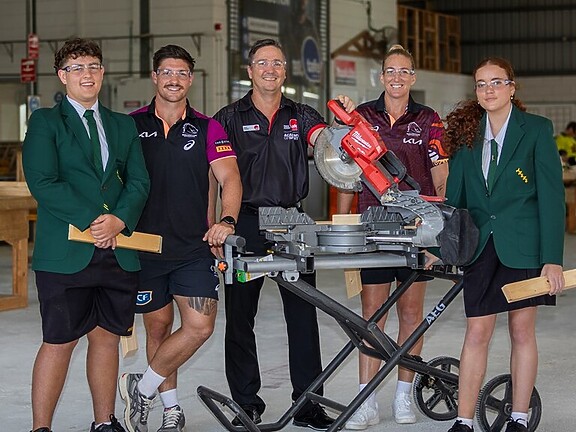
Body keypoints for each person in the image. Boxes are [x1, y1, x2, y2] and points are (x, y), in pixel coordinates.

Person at [213, 38, 354, 431]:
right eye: (262, 63)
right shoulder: (228, 117)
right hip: (244, 224)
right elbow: (213, 175)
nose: (270, 69)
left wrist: (341, 127)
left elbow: (327, 145)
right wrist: (215, 226)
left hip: (293, 224)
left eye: (277, 62)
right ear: (250, 70)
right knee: (240, 317)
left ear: (285, 70)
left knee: (303, 316)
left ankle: (308, 403)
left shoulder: (301, 114)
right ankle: (246, 404)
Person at [22, 38, 150, 432]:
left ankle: (104, 421)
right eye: (77, 68)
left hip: (117, 250)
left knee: (108, 339)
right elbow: (43, 181)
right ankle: (41, 427)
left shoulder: (122, 124)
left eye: (93, 66)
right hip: (66, 252)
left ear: (103, 72)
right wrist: (96, 219)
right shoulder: (45, 122)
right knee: (60, 340)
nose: (87, 74)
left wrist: (119, 221)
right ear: (62, 77)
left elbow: (139, 181)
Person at [117, 45, 241, 432]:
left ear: (191, 79)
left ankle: (144, 386)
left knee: (200, 327)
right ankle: (171, 409)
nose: (174, 79)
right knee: (157, 329)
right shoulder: (130, 125)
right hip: (144, 247)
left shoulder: (207, 127)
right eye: (167, 72)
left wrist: (227, 220)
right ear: (154, 77)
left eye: (182, 73)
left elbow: (230, 178)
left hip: (192, 246)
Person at [442, 57, 565, 432]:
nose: (489, 90)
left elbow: (551, 198)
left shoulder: (538, 130)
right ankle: (463, 421)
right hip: (480, 248)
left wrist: (552, 260)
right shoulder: (466, 138)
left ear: (512, 87)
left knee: (521, 332)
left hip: (523, 248)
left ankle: (518, 417)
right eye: (481, 84)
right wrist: (445, 249)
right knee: (476, 332)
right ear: (476, 92)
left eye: (496, 82)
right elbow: (456, 201)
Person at [337, 44, 448, 429]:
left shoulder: (429, 118)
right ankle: (366, 399)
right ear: (381, 77)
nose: (397, 77)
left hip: (417, 229)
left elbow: (440, 175)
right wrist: (345, 222)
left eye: (404, 71)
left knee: (412, 314)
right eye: (390, 71)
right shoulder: (363, 116)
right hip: (375, 226)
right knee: (372, 316)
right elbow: (344, 171)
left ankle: (404, 395)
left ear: (413, 77)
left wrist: (439, 224)